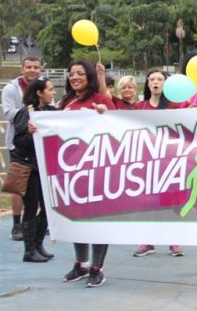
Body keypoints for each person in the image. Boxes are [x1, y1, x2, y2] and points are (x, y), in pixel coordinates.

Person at [59, 60, 114, 287]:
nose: (75, 77)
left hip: (97, 168)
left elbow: (119, 125)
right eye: (72, 73)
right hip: (72, 170)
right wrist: (37, 127)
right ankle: (80, 264)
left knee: (98, 219)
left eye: (80, 73)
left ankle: (97, 267)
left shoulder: (100, 99)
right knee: (76, 217)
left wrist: (105, 114)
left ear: (89, 76)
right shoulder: (66, 102)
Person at [133, 69, 184, 257]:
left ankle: (174, 240)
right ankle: (147, 241)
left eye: (159, 79)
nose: (155, 82)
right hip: (146, 161)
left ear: (166, 83)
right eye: (152, 79)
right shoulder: (139, 107)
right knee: (147, 202)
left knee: (171, 201)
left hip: (170, 160)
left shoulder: (175, 107)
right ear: (147, 83)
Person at [11, 78, 57, 262]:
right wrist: (31, 134)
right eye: (50, 90)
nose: (53, 93)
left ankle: (38, 245)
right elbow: (18, 141)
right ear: (39, 92)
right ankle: (29, 251)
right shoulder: (25, 113)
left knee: (47, 207)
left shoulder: (52, 112)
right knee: (30, 206)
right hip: (27, 165)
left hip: (44, 165)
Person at [2, 57, 43, 241]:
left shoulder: (43, 86)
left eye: (36, 67)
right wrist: (31, 114)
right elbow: (9, 113)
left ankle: (38, 222)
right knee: (19, 186)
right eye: (29, 67)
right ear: (22, 69)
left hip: (39, 145)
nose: (32, 70)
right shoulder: (11, 89)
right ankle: (16, 224)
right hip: (18, 143)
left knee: (39, 186)